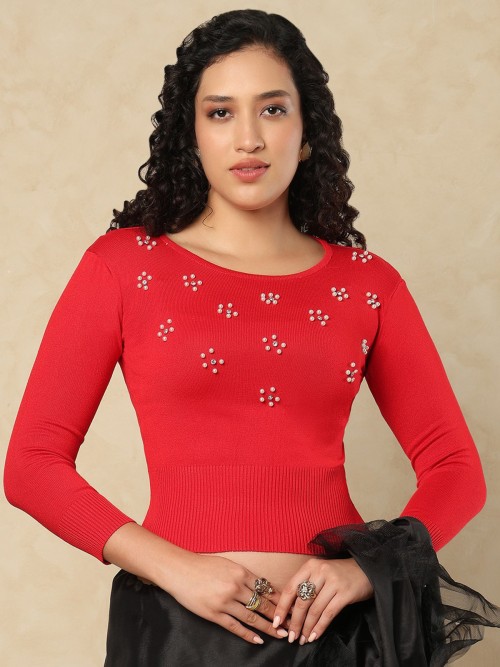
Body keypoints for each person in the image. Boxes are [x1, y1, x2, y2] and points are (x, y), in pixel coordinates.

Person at [4, 9, 499, 666]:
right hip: (177, 630)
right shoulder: (122, 267)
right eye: (220, 113)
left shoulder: (368, 284)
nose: (248, 138)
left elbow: (456, 469)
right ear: (191, 135)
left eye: (272, 109)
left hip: (334, 637)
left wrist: (362, 571)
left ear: (307, 131)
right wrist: (176, 568)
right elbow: (32, 463)